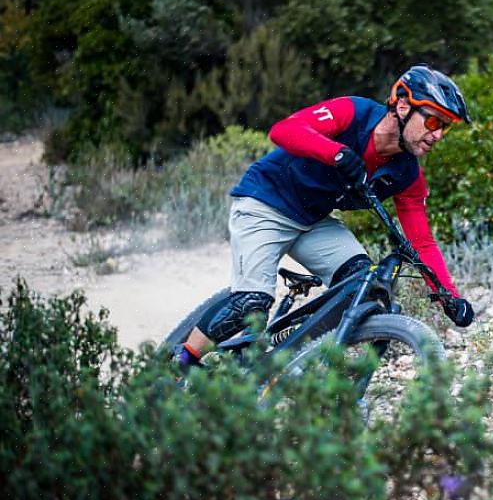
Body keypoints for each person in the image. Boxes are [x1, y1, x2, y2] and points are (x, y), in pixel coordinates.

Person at [176, 65, 475, 369]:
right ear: (402, 106)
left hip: (312, 220)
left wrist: (448, 296)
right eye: (434, 120)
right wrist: (336, 153)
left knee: (361, 284)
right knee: (251, 304)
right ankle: (180, 363)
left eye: (445, 127)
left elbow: (421, 242)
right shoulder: (353, 112)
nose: (438, 134)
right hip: (264, 203)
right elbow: (283, 130)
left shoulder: (406, 173)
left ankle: (286, 344)